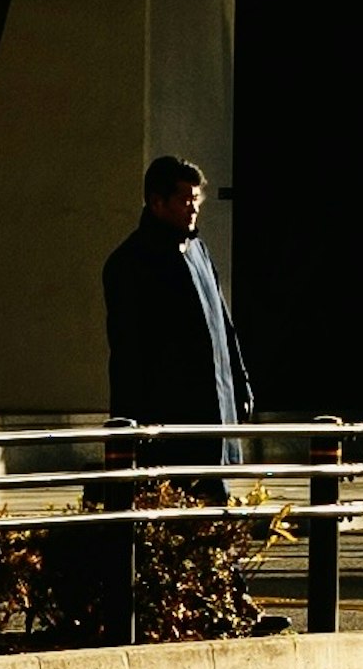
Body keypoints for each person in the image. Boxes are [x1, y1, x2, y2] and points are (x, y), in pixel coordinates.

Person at [99, 155, 255, 454]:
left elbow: (223, 325)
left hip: (216, 411)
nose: (194, 208)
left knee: (216, 493)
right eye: (185, 200)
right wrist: (128, 423)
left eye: (197, 199)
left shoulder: (199, 251)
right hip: (168, 418)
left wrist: (240, 383)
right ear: (157, 202)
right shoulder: (130, 263)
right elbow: (128, 354)